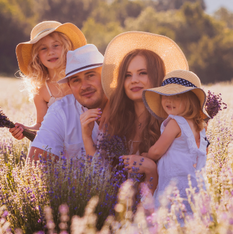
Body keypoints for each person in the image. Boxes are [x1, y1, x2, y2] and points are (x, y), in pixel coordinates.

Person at [82, 31, 188, 192]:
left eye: (142, 73)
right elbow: (100, 173)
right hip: (116, 207)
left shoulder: (171, 123)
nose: (134, 80)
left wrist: (151, 169)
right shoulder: (114, 120)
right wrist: (86, 137)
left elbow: (178, 182)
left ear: (157, 76)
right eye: (127, 75)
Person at [141, 70, 209, 215]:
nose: (169, 100)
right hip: (196, 187)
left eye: (176, 96)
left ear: (190, 101)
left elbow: (157, 151)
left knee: (170, 218)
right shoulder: (200, 127)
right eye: (165, 96)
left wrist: (147, 155)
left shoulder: (175, 123)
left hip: (175, 186)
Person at [27, 44, 107, 162]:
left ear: (106, 76)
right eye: (76, 80)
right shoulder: (60, 111)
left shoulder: (130, 107)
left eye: (90, 75)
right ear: (69, 85)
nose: (84, 86)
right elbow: (35, 165)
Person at [10, 21, 87, 140]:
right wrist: (24, 129)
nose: (51, 52)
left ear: (66, 48)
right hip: (60, 147)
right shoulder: (41, 91)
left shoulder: (81, 78)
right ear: (37, 57)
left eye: (56, 45)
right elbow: (41, 125)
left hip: (87, 139)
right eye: (43, 48)